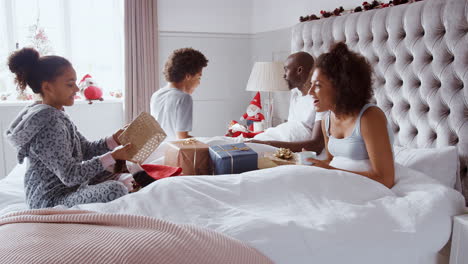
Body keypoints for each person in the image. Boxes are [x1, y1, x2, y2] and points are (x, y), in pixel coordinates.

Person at [5, 48, 134, 209]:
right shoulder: (48, 124)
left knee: (118, 166)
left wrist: (114, 140)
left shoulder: (56, 114)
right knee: (116, 189)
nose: (76, 89)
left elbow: (84, 149)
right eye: (70, 84)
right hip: (50, 200)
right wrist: (112, 156)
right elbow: (70, 175)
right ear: (47, 87)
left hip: (68, 188)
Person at [306, 42, 395, 188]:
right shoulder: (326, 120)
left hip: (370, 188)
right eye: (310, 84)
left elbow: (386, 179)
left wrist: (331, 171)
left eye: (317, 85)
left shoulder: (369, 117)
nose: (309, 92)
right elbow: (331, 161)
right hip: (339, 184)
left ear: (341, 87)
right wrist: (314, 162)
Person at [250, 51, 324, 152]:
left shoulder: (319, 100)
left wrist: (267, 144)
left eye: (286, 70)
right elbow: (290, 128)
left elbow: (316, 145)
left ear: (299, 70)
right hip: (278, 139)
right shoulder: (295, 95)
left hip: (280, 147)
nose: (284, 76)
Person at [150, 48, 208, 140]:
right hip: (174, 150)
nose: (199, 83)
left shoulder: (156, 95)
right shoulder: (184, 98)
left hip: (158, 149)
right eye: (199, 77)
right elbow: (182, 138)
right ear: (188, 76)